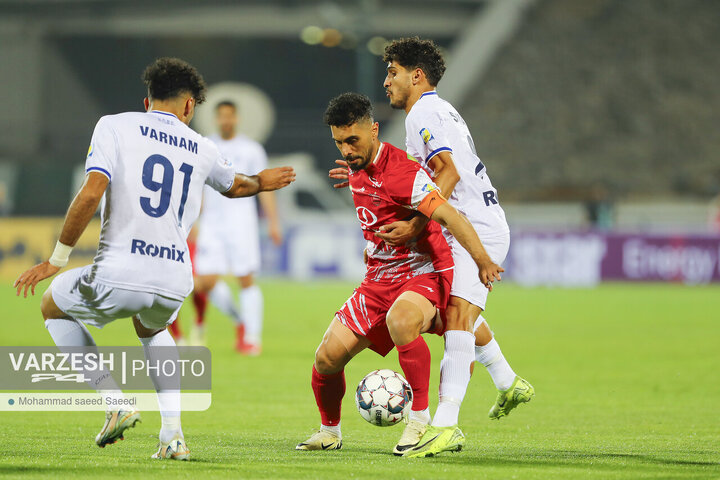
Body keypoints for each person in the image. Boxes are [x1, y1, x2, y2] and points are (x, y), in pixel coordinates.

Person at [14, 57, 295, 460]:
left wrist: (55, 260)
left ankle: (114, 403)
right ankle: (173, 435)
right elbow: (238, 186)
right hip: (174, 279)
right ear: (189, 107)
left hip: (120, 270)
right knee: (151, 330)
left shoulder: (115, 125)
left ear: (147, 101)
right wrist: (264, 181)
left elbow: (92, 192)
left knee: (52, 305)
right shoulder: (202, 145)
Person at [330, 37, 534, 456]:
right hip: (470, 223)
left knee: (456, 318)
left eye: (393, 72)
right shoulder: (438, 110)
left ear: (416, 76)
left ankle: (446, 424)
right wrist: (363, 172)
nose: (386, 82)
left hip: (471, 225)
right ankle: (507, 380)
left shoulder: (423, 112)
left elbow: (449, 172)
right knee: (449, 313)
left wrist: (415, 223)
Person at [296, 93, 502, 457]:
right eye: (339, 142)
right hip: (378, 278)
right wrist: (357, 170)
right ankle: (329, 431)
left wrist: (483, 259)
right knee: (326, 358)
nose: (346, 149)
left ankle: (420, 421)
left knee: (403, 320)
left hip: (421, 271)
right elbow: (371, 185)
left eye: (353, 141)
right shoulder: (358, 167)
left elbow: (451, 217)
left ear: (374, 130)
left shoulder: (405, 174)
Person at [176, 100, 282, 354]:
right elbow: (196, 187)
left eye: (229, 116)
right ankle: (240, 321)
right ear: (216, 119)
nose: (226, 120)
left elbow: (264, 188)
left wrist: (273, 222)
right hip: (212, 223)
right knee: (205, 282)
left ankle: (252, 339)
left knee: (246, 278)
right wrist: (191, 221)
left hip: (242, 223)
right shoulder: (205, 146)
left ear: (236, 119)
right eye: (221, 116)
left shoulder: (251, 149)